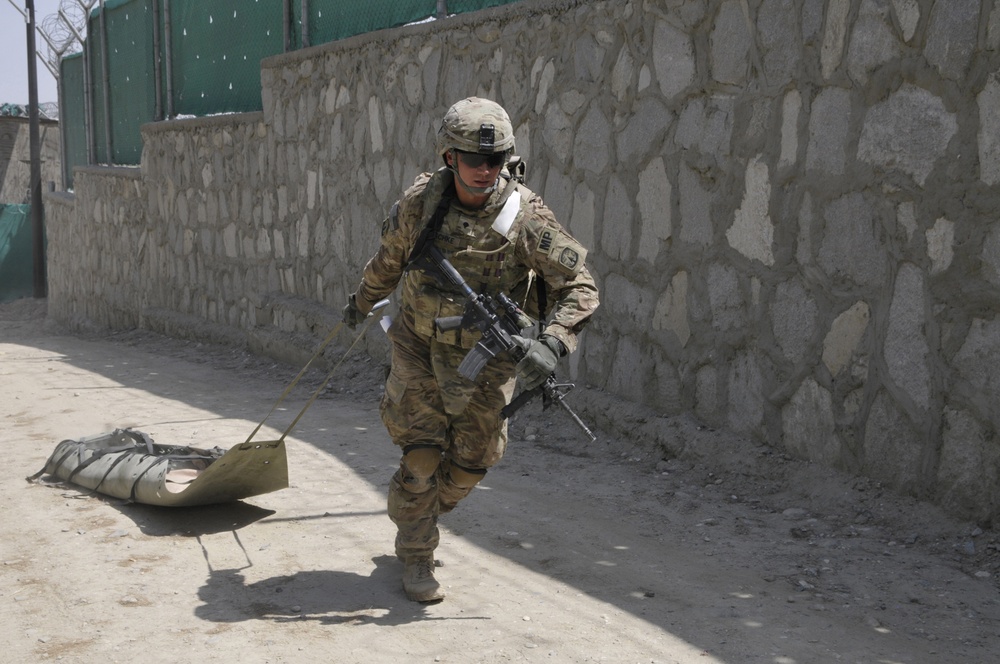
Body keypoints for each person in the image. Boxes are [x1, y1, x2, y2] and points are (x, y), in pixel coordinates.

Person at [342, 97, 599, 603]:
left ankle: (418, 510)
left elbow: (580, 285)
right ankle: (417, 552)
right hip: (418, 343)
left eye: (497, 160)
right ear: (449, 158)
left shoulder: (523, 216)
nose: (487, 170)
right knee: (420, 457)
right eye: (475, 159)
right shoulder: (421, 204)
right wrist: (362, 300)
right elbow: (389, 260)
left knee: (468, 466)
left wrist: (553, 342)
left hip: (487, 359)